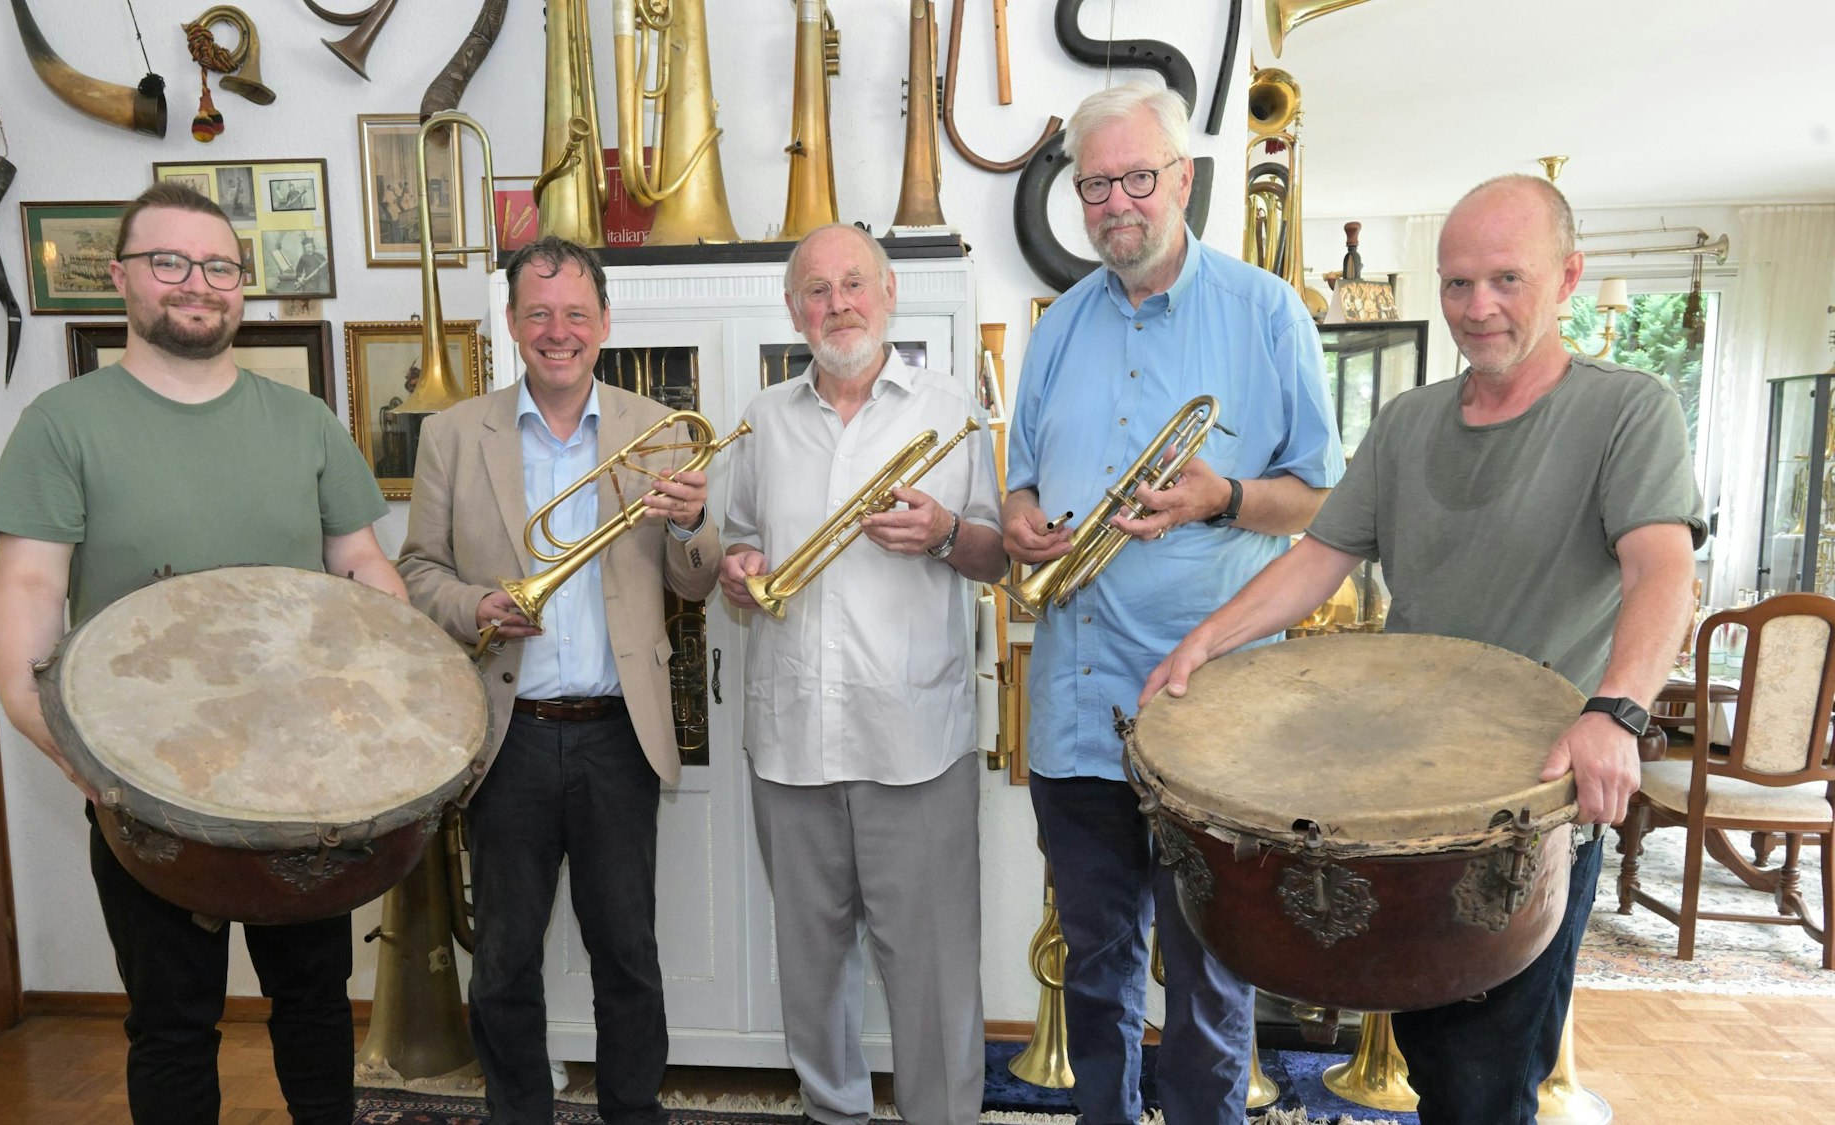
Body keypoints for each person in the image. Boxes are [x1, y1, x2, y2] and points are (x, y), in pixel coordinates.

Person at [1142, 174, 1703, 1124]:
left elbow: (1662, 573)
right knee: (1430, 1050)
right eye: (1456, 284)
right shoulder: (1406, 423)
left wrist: (1616, 710)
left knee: (1481, 1082)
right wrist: (1201, 645)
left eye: (1505, 280)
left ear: (1568, 278)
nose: (1476, 307)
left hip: (1529, 809)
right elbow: (1317, 559)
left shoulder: (1628, 410)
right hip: (1400, 808)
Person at [0, 181, 405, 1125]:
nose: (196, 283)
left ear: (240, 286)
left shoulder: (304, 423)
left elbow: (365, 564)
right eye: (169, 261)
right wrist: (77, 760)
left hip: (306, 783)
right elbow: (28, 594)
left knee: (314, 1003)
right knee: (172, 1020)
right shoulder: (62, 425)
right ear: (123, 278)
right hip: (144, 786)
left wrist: (399, 712)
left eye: (218, 266)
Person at [999, 81, 1344, 1124]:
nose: (1114, 203)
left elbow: (1323, 499)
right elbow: (1016, 480)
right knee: (1093, 968)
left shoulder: (1264, 311)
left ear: (1182, 178)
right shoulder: (1057, 327)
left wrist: (1224, 498)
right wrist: (1017, 519)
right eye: (1094, 184)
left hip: (1210, 718)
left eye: (1135, 178)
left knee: (1205, 986)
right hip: (1075, 709)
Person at [398, 236, 718, 1124]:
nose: (558, 331)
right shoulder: (454, 436)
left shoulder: (653, 430)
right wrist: (475, 605)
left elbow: (693, 581)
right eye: (538, 313)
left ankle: (630, 1112)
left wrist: (696, 523)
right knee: (502, 957)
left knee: (628, 952)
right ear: (511, 323)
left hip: (619, 732)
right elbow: (418, 569)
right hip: (510, 735)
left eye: (576, 313)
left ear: (604, 322)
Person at [717, 224, 1006, 1125]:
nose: (836, 302)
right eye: (815, 289)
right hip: (792, 742)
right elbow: (736, 547)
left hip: (915, 743)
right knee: (811, 976)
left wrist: (945, 534)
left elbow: (999, 558)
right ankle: (832, 1116)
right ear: (793, 308)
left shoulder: (951, 408)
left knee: (934, 980)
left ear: (887, 295)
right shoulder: (762, 419)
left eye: (852, 284)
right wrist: (738, 569)